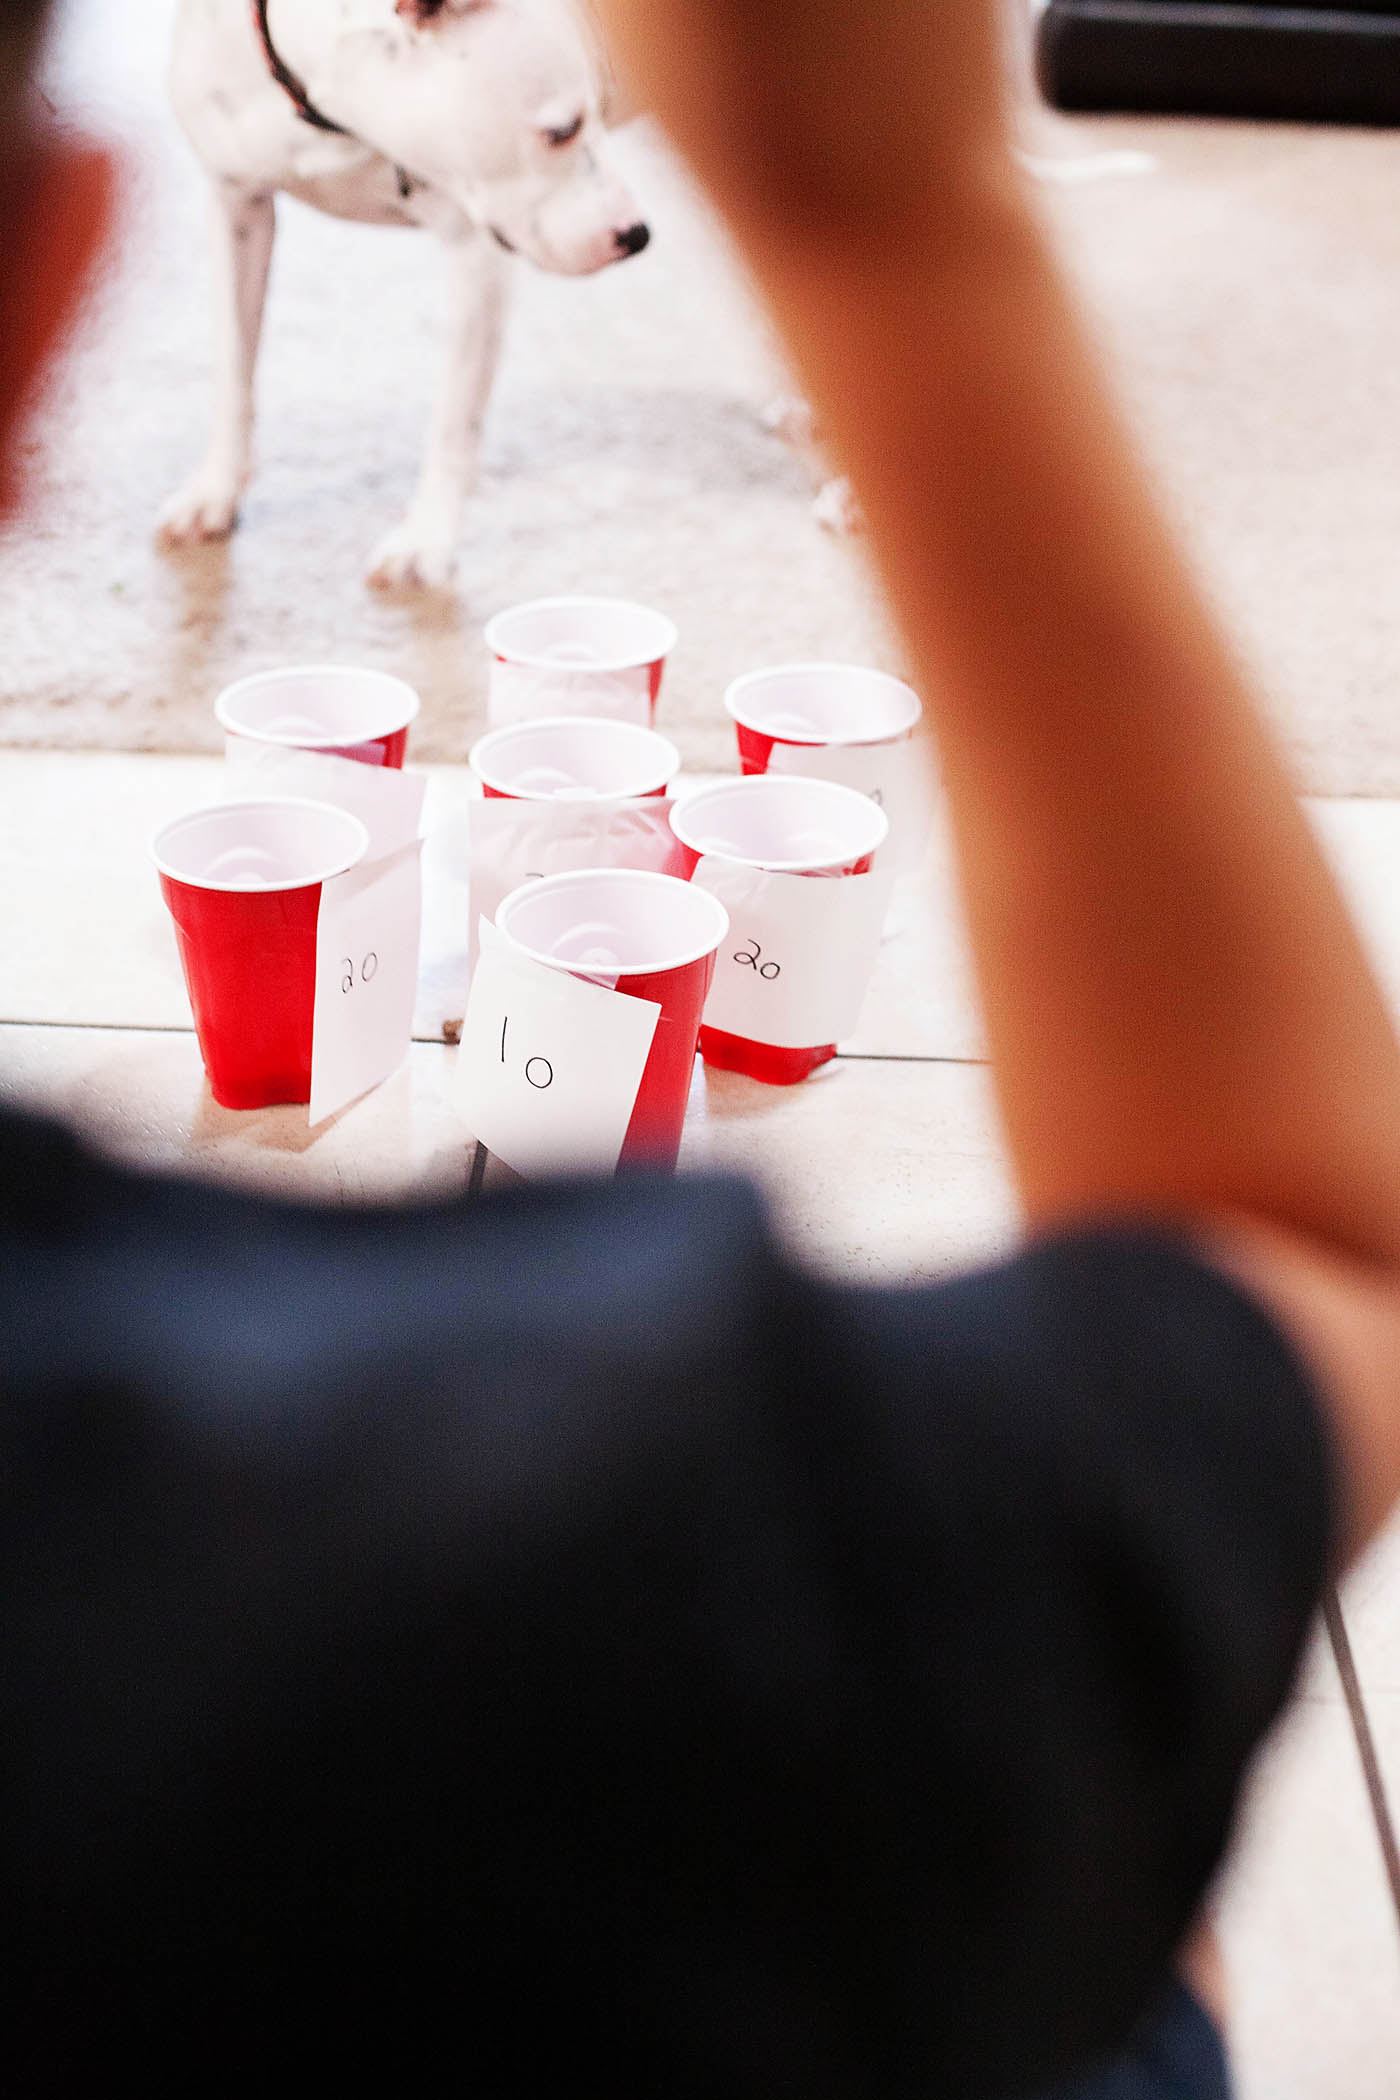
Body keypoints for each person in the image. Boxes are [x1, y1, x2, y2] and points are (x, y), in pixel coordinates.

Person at [4, 1, 1399, 2093]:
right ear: (54, 280)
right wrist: (899, 230)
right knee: (1065, 1852)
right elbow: (1313, 1256)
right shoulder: (652, 1482)